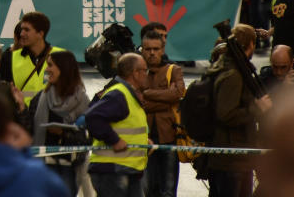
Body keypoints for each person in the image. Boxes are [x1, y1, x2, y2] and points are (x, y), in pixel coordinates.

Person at [208, 24, 272, 197]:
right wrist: (256, 109)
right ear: (251, 44)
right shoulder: (233, 75)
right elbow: (226, 113)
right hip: (231, 158)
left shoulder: (230, 68)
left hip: (236, 156)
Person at [83, 53, 149, 197]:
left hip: (126, 170)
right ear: (136, 73)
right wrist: (114, 140)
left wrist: (143, 141)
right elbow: (93, 117)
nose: (146, 74)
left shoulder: (127, 94)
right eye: (145, 70)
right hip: (112, 171)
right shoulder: (119, 95)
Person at [30, 50, 90, 196]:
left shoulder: (81, 100)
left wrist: (63, 133)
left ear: (64, 68)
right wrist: (20, 107)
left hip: (67, 167)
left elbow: (87, 138)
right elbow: (29, 128)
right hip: (42, 165)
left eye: (50, 65)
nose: (46, 69)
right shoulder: (41, 97)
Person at [140, 30, 184, 197]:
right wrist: (166, 98)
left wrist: (146, 93)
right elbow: (138, 102)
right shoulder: (137, 70)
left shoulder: (173, 70)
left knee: (168, 190)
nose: (152, 53)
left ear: (163, 49)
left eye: (156, 49)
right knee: (147, 190)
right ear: (142, 49)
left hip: (170, 136)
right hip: (144, 138)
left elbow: (178, 93)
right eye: (148, 49)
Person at [1, 12, 65, 108]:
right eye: (22, 30)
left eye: (26, 30)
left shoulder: (62, 56)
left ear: (40, 34)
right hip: (24, 116)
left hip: (55, 115)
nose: (22, 33)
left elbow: (74, 89)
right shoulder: (9, 58)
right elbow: (4, 94)